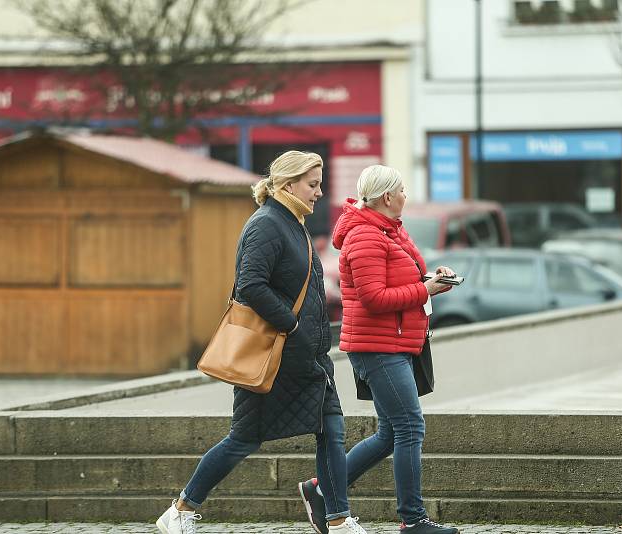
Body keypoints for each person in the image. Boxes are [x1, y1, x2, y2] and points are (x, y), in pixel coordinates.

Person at [156, 151, 368, 534]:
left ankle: (337, 519)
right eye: (313, 184)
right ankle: (181, 509)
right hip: (276, 356)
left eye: (320, 184)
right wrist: (293, 324)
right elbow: (250, 285)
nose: (319, 192)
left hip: (309, 357)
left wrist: (308, 335)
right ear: (288, 184)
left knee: (332, 431)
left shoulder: (292, 222)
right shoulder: (267, 224)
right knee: (243, 438)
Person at [297, 165, 460, 534]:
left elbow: (402, 280)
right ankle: (413, 520)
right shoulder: (366, 236)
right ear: (387, 196)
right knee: (409, 426)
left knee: (390, 432)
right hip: (377, 346)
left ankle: (322, 489)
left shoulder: (391, 230)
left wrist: (431, 279)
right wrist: (425, 291)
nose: (406, 195)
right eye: (402, 189)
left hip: (397, 341)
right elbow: (373, 298)